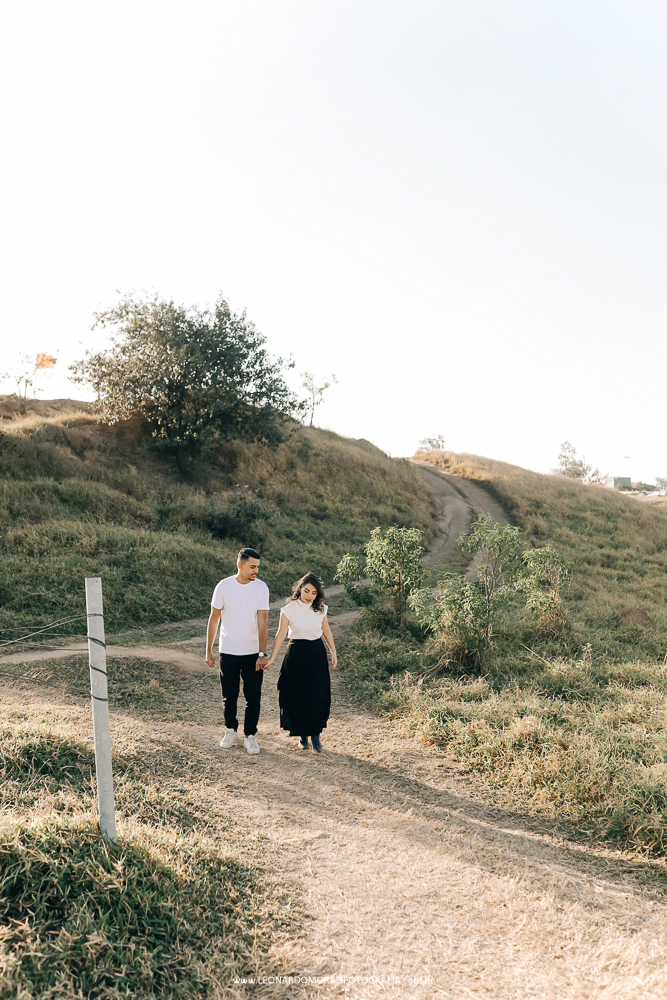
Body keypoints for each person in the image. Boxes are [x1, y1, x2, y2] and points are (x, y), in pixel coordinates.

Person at [205, 547, 270, 754]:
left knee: (253, 697)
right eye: (252, 567)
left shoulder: (261, 588)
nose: (256, 571)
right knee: (229, 696)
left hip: (253, 654)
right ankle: (230, 730)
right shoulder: (223, 587)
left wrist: (261, 653)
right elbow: (214, 619)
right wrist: (209, 650)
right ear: (240, 565)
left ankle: (250, 736)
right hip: (229, 651)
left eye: (257, 567)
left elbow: (263, 622)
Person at [265, 572, 337, 753]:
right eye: (306, 591)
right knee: (296, 694)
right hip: (296, 653)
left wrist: (333, 651)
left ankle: (315, 736)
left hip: (316, 654)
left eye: (313, 593)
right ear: (300, 589)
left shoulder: (321, 609)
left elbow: (326, 630)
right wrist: (272, 658)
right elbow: (281, 634)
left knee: (317, 694)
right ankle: (302, 736)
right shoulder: (288, 610)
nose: (309, 596)